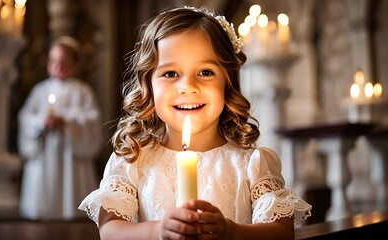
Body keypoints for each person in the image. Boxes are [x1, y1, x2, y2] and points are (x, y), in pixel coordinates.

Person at [79, 6, 312, 240]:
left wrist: (231, 232)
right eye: (170, 73)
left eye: (206, 72)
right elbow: (110, 231)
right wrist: (158, 231)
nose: (188, 86)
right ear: (149, 84)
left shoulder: (253, 164)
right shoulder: (132, 162)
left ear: (227, 81)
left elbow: (281, 232)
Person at [18, 36, 102, 220]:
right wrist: (42, 122)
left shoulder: (82, 91)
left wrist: (65, 121)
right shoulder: (40, 90)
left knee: (70, 205)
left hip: (70, 160)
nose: (58, 66)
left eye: (64, 61)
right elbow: (26, 118)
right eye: (53, 61)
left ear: (75, 64)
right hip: (44, 156)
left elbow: (91, 119)